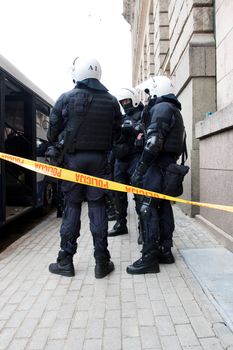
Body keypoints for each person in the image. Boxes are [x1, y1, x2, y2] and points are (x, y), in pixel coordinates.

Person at [47, 55, 122, 278]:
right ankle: (101, 262)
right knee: (98, 207)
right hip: (100, 162)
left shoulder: (66, 98)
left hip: (73, 161)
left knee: (72, 207)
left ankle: (66, 261)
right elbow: (117, 134)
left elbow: (52, 132)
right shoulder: (111, 101)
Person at [127, 76, 186, 274]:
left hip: (157, 168)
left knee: (148, 208)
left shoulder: (161, 109)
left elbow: (153, 144)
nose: (146, 98)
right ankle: (165, 250)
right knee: (162, 207)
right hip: (167, 167)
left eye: (148, 93)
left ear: (156, 90)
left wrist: (139, 170)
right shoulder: (174, 109)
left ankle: (149, 257)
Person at [108, 87, 144, 238]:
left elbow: (145, 131)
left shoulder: (143, 113)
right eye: (122, 102)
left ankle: (143, 227)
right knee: (118, 193)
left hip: (135, 157)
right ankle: (120, 223)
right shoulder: (121, 118)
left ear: (134, 99)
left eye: (126, 101)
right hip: (120, 159)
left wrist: (135, 129)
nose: (124, 104)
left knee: (139, 192)